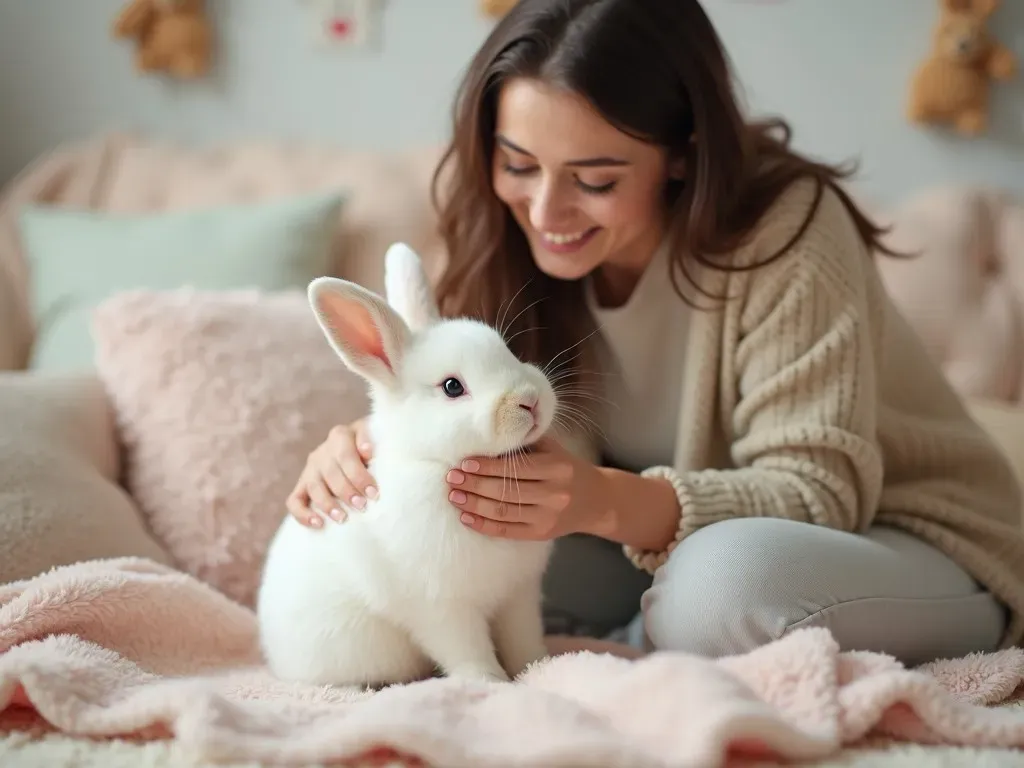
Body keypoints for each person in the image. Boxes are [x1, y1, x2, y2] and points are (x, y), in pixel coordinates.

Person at [286, 0, 1024, 665]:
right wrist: (373, 454)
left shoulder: (789, 228)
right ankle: (644, 639)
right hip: (667, 543)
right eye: (518, 165)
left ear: (682, 151)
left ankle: (662, 634)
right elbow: (457, 403)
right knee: (467, 557)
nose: (545, 210)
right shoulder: (511, 243)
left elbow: (820, 493)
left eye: (595, 180)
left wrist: (600, 502)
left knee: (716, 589)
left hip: (907, 537)